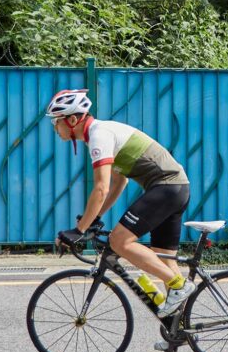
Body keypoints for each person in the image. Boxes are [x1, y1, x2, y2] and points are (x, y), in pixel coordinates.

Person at [46, 88, 195, 317]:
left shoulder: (99, 135)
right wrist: (95, 218)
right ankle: (179, 327)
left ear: (73, 119)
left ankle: (179, 285)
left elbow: (101, 187)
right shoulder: (100, 134)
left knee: (119, 240)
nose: (55, 127)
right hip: (176, 188)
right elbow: (119, 183)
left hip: (166, 187)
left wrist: (79, 229)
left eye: (57, 122)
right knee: (163, 256)